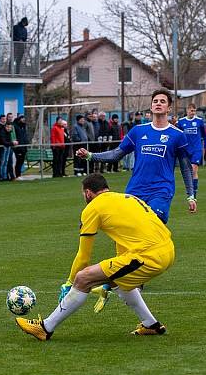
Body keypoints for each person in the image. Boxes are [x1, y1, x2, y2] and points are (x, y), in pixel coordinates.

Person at [15, 174, 173, 341]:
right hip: (167, 250)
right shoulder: (128, 198)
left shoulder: (93, 208)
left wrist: (69, 283)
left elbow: (84, 257)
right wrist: (109, 282)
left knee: (83, 278)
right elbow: (126, 245)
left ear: (88, 193)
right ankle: (151, 325)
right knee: (117, 279)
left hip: (148, 256)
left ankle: (45, 328)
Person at [76, 88, 196, 224]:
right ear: (151, 107)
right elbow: (116, 154)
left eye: (162, 101)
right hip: (136, 189)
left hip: (161, 190)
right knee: (127, 227)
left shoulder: (178, 135)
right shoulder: (138, 131)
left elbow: (186, 168)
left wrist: (191, 195)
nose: (158, 103)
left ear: (168, 108)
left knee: (152, 222)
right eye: (155, 101)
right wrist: (90, 156)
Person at [176, 103, 206, 197]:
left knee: (194, 170)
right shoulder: (181, 122)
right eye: (191, 110)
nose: (192, 112)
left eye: (194, 111)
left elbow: (204, 135)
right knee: (188, 172)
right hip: (185, 149)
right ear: (187, 111)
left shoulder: (199, 121)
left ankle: (193, 194)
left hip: (196, 149)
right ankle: (190, 192)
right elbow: (178, 135)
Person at [13, 113, 29, 178]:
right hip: (18, 147)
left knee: (21, 161)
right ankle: (17, 175)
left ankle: (19, 175)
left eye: (24, 118)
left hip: (23, 147)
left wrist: (26, 142)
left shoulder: (23, 126)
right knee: (18, 161)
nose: (23, 119)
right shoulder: (15, 126)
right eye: (22, 118)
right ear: (19, 119)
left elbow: (24, 135)